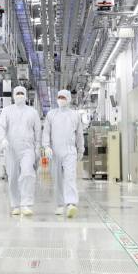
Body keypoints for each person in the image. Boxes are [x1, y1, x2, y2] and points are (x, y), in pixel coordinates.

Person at [0, 86, 41, 216]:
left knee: (28, 172)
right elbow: (1, 126)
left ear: (26, 95)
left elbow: (38, 131)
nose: (20, 95)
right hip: (11, 148)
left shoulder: (32, 112)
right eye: (18, 93)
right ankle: (16, 204)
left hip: (28, 148)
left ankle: (26, 204)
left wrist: (38, 147)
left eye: (22, 93)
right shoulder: (7, 111)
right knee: (12, 177)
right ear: (13, 95)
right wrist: (2, 139)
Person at [42, 90, 84, 218]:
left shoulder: (75, 115)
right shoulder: (51, 114)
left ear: (69, 99)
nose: (61, 99)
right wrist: (46, 146)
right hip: (54, 152)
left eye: (63, 97)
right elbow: (46, 132)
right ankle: (60, 204)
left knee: (70, 176)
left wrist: (81, 149)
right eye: (59, 97)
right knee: (58, 178)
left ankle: (71, 203)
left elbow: (79, 134)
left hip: (70, 151)